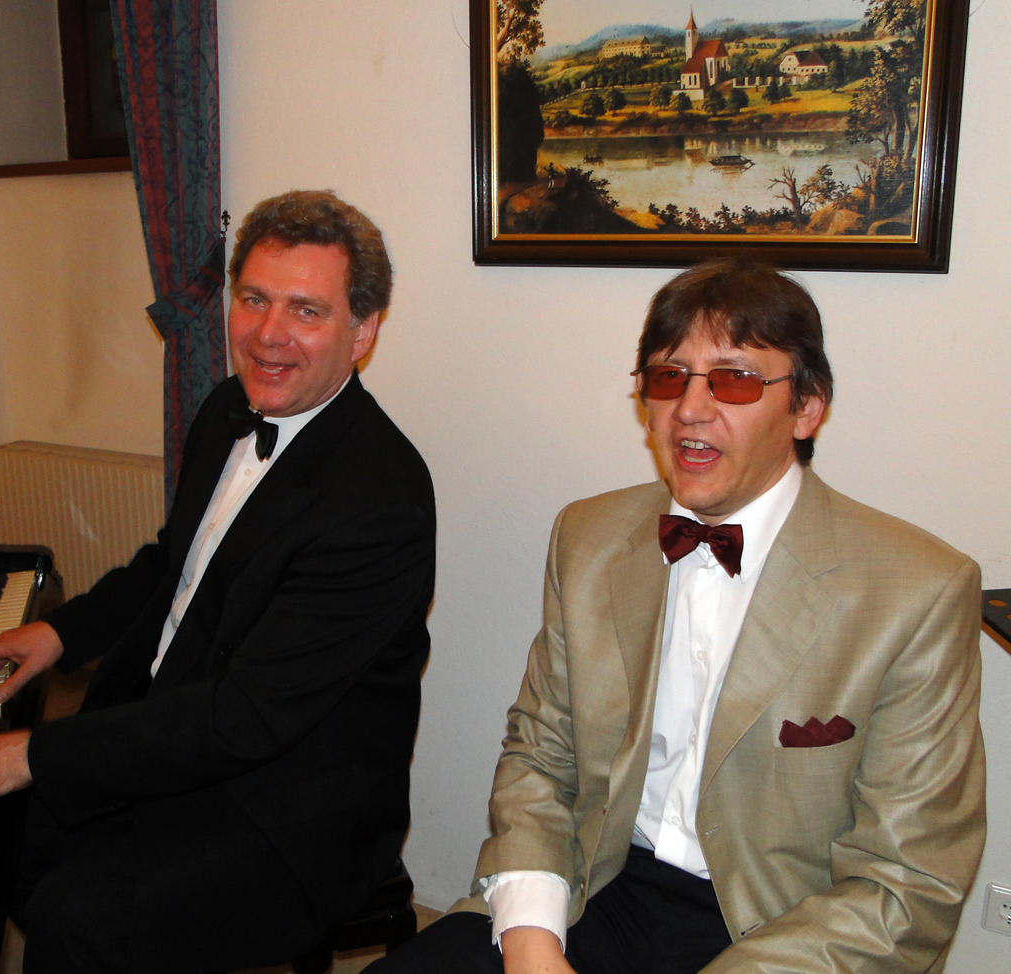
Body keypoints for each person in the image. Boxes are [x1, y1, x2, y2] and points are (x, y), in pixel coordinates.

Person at [0, 190, 436, 974]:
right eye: (254, 300)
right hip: (179, 726)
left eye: (306, 310)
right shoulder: (229, 408)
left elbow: (245, 719)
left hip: (290, 803)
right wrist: (59, 632)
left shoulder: (380, 501)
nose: (269, 334)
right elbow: (175, 561)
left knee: (74, 919)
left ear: (362, 332)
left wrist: (32, 752)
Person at [371, 258, 984, 974]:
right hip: (595, 885)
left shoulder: (918, 590)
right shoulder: (588, 538)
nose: (690, 409)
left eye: (735, 379)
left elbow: (907, 883)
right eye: (668, 377)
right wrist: (533, 944)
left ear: (807, 406)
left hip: (787, 931)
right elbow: (541, 757)